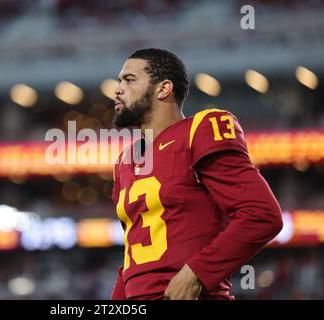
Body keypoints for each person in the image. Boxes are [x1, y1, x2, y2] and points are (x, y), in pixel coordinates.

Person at [110, 48, 283, 300]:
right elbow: (131, 260)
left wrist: (197, 273)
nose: (117, 89)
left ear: (163, 89)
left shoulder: (199, 130)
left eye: (129, 80)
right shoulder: (125, 161)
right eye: (119, 81)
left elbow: (261, 215)